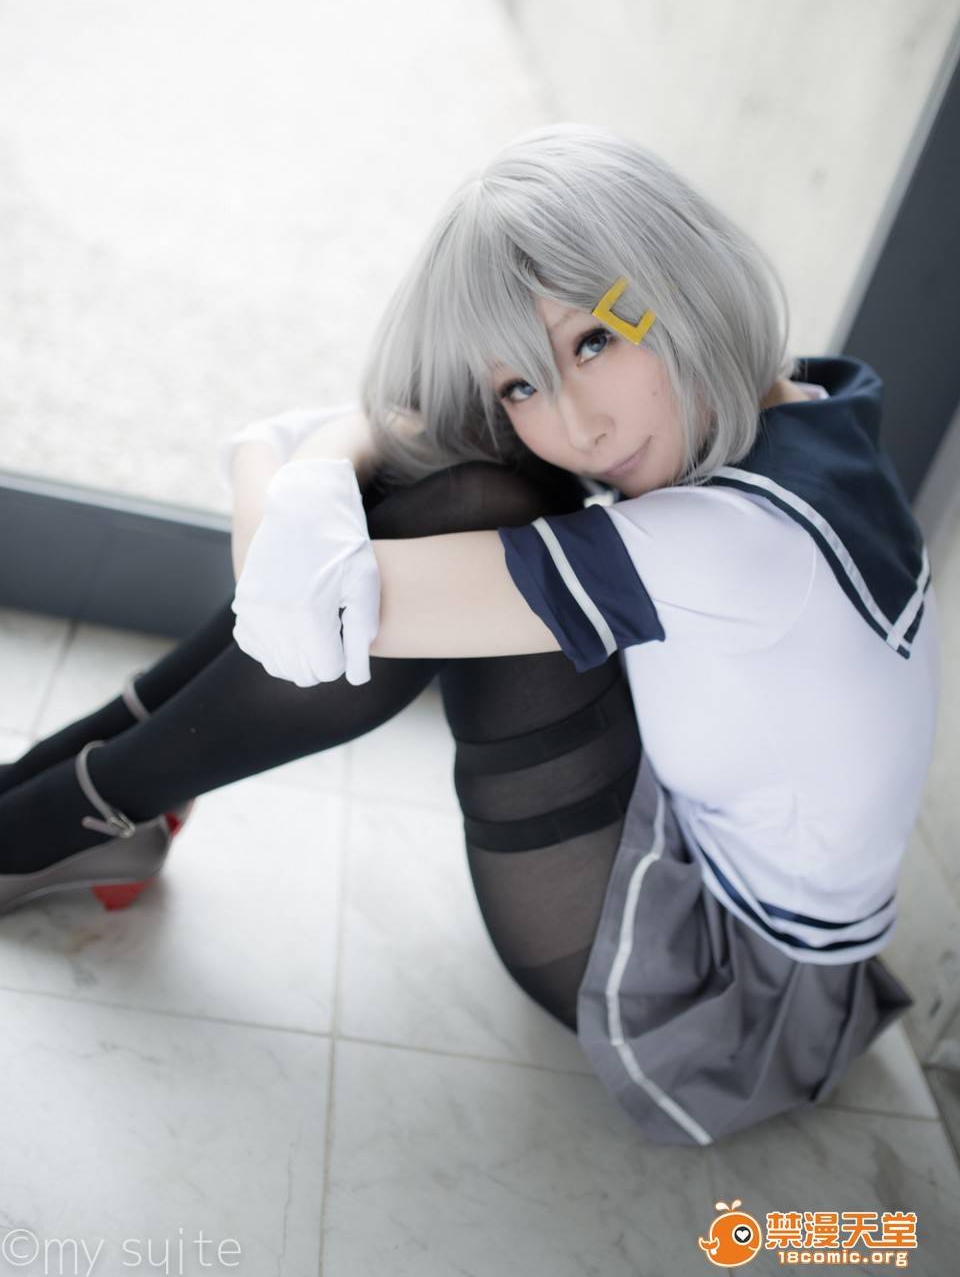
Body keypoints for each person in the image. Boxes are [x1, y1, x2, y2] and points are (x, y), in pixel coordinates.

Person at [0, 123, 940, 1146]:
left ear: (680, 278)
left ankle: (57, 819)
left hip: (721, 997)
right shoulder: (804, 399)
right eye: (521, 384)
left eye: (595, 340)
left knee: (463, 510)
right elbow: (350, 511)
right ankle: (75, 800)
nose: (579, 426)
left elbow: (309, 606)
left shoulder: (732, 545)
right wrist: (333, 463)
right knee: (474, 482)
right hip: (728, 867)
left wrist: (293, 461)